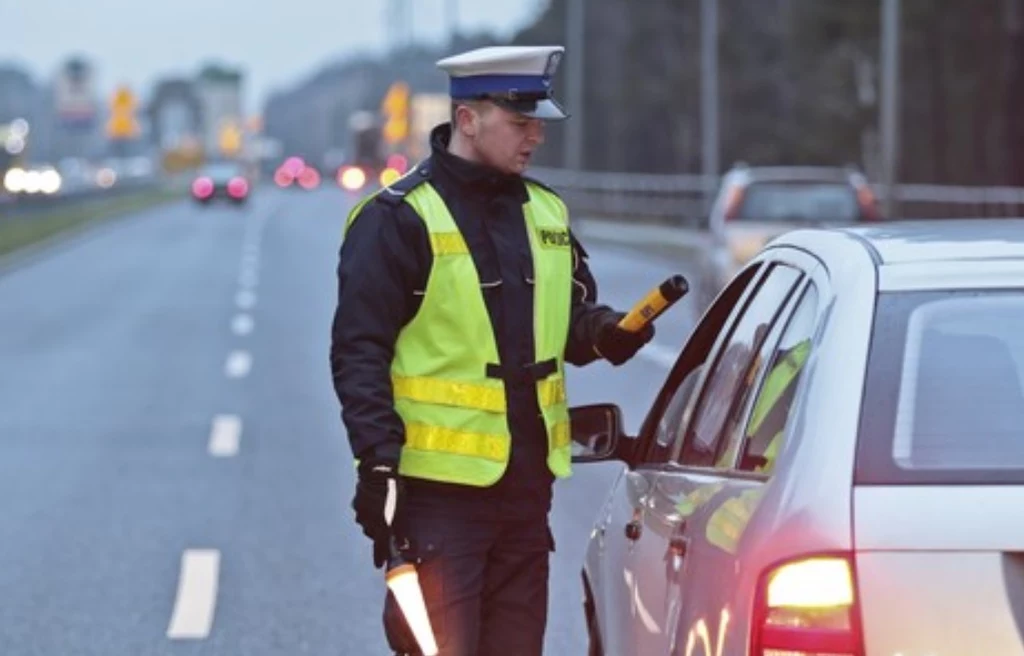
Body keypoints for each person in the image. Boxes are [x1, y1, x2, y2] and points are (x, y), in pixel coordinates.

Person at [330, 44, 654, 656]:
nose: (535, 136)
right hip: (437, 502)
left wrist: (606, 332)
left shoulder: (547, 214)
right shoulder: (397, 219)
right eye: (520, 122)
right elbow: (358, 354)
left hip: (527, 496)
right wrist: (377, 466)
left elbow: (563, 324)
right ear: (468, 119)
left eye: (539, 122)